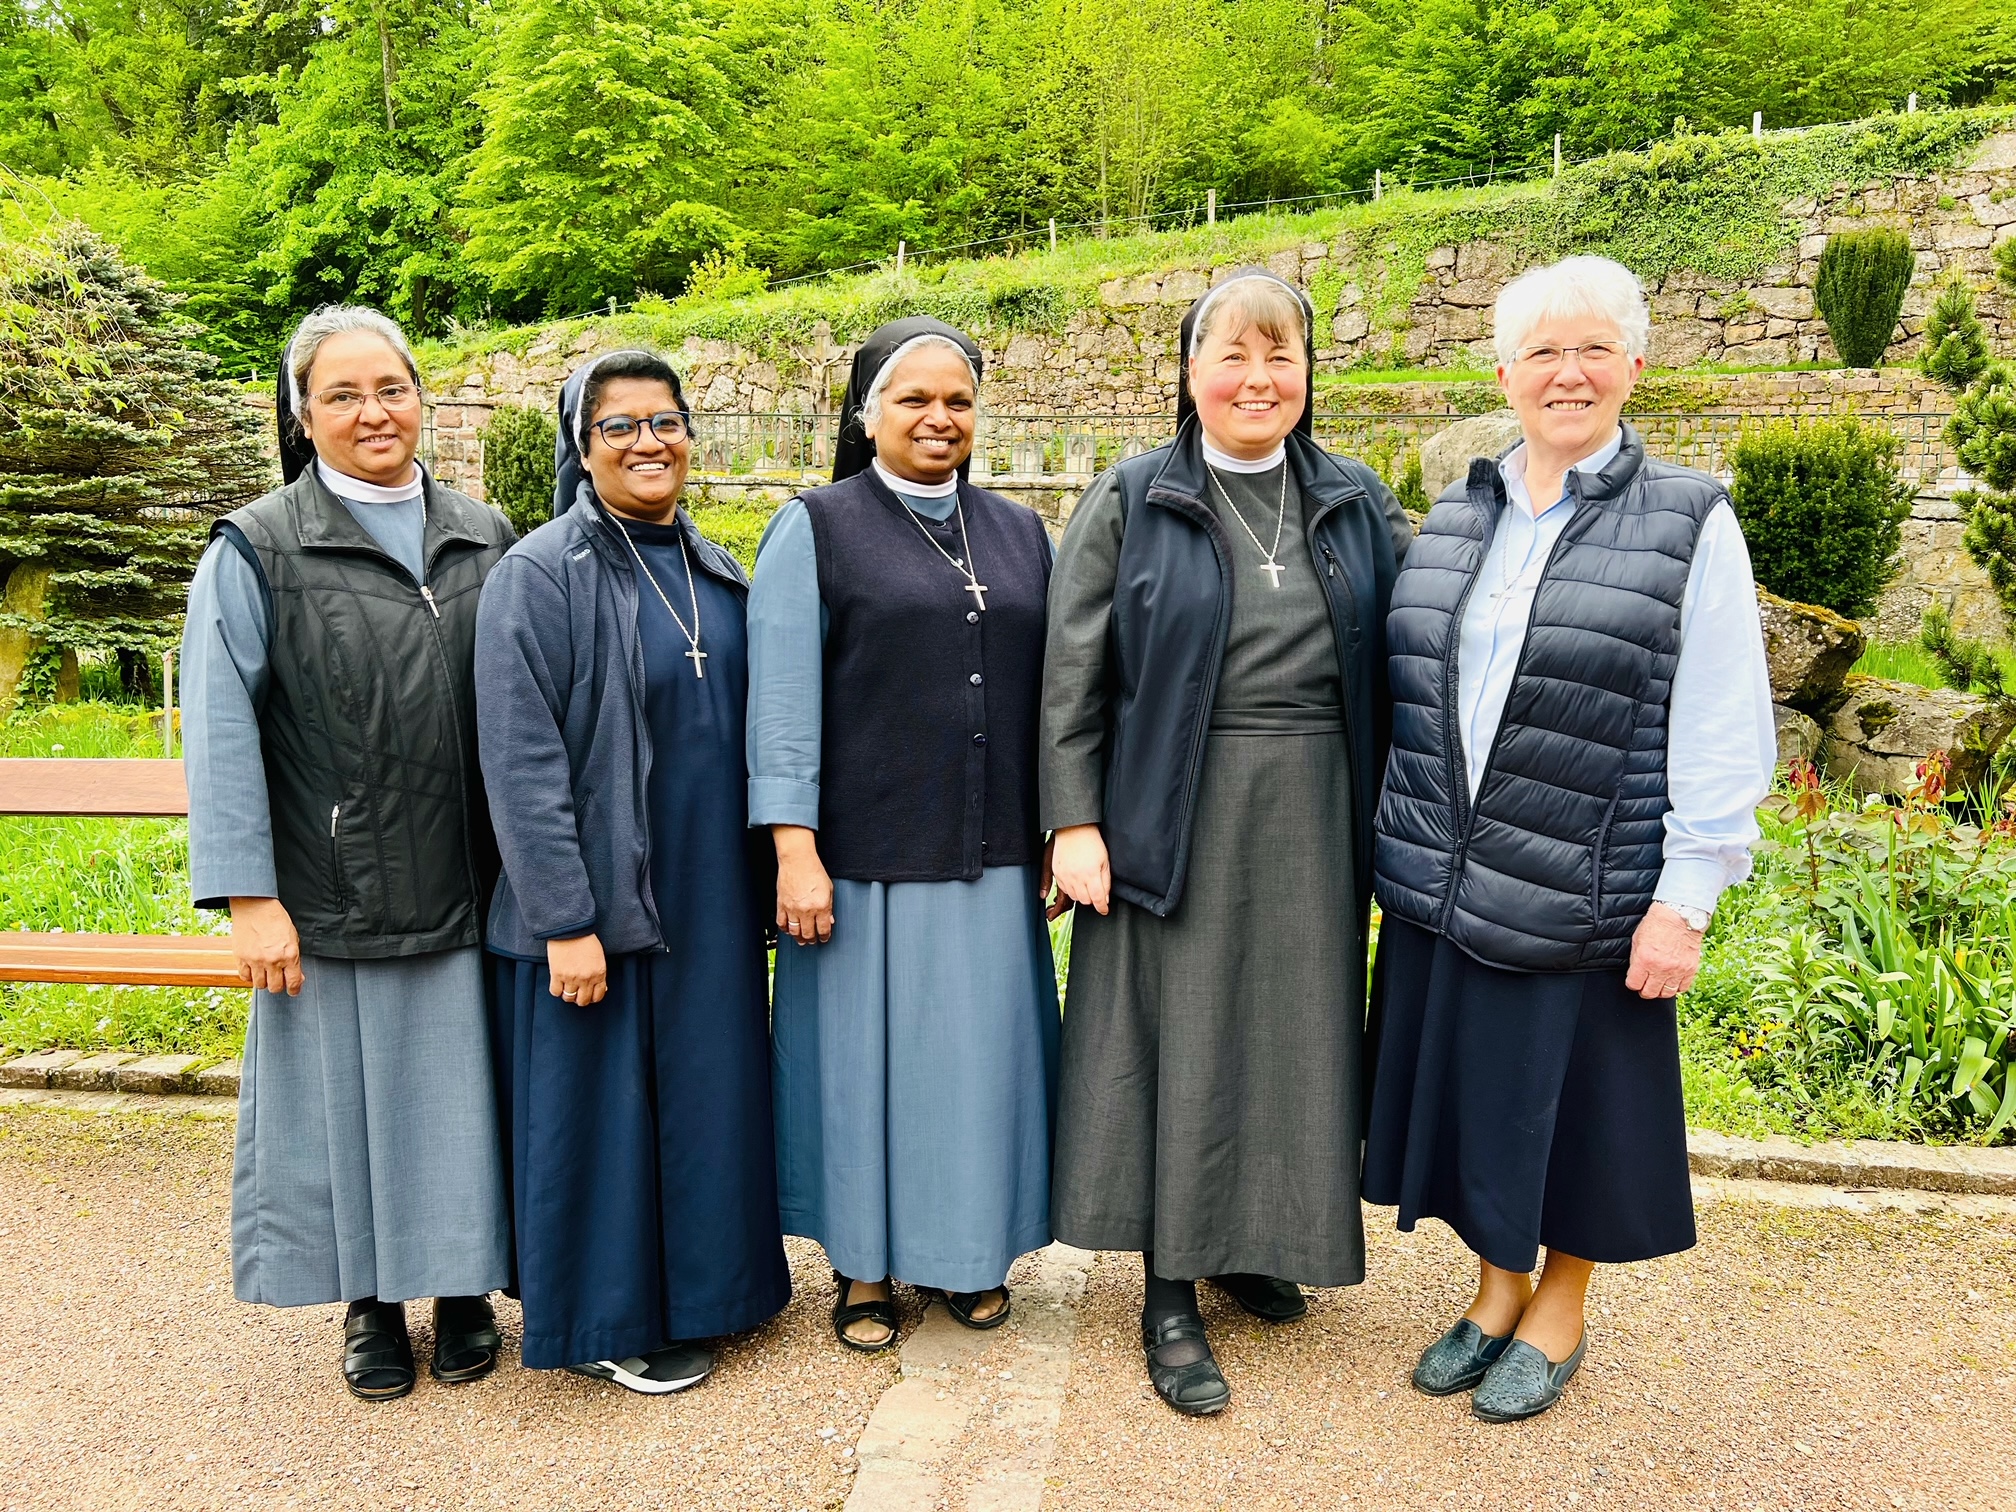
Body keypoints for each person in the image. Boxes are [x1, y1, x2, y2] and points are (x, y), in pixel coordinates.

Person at [1363, 254, 1776, 1423]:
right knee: (1478, 1104)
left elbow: (1720, 726)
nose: (1568, 372)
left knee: (1575, 1114)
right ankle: (1496, 1289)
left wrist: (1684, 901)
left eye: (1594, 348)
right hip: (1452, 875)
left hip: (1591, 882)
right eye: (1542, 351)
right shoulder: (1460, 511)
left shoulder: (1690, 521)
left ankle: (1561, 1303)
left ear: (1636, 365)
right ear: (1504, 371)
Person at [1041, 269, 1413, 1416]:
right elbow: (1071, 674)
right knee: (1182, 1038)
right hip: (1172, 802)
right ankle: (1167, 1289)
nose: (1258, 379)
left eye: (1281, 356)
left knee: (1291, 1034)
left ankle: (1256, 1241)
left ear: (1309, 373)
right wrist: (1073, 818)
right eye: (1232, 357)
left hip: (1314, 800)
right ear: (1191, 373)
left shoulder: (1354, 499)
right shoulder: (1132, 496)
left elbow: (1414, 650)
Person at [181, 305, 516, 1402]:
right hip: (334, 883)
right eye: (343, 394)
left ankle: (463, 1288)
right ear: (302, 413)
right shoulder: (256, 547)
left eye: (392, 388)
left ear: (422, 398)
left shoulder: (486, 530)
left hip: (476, 873)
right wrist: (247, 897)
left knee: (466, 1097)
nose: (374, 412)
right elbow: (223, 728)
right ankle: (371, 1303)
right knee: (349, 1107)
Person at [474, 349, 791, 1395]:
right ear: (582, 444)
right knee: (605, 1118)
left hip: (709, 894)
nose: (649, 442)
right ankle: (610, 1319)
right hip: (598, 901)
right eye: (620, 426)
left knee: (706, 1099)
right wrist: (566, 918)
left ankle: (715, 1294)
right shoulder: (541, 573)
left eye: (666, 421)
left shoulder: (717, 566)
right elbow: (520, 765)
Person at [748, 317, 1059, 1352]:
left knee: (974, 1069)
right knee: (864, 1074)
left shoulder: (1020, 532)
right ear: (865, 412)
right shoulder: (817, 526)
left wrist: (1062, 829)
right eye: (914, 399)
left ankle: (966, 1253)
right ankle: (864, 1268)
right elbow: (783, 703)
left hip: (992, 847)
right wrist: (794, 847)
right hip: (862, 854)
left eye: (958, 400)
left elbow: (1055, 700)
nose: (939, 418)